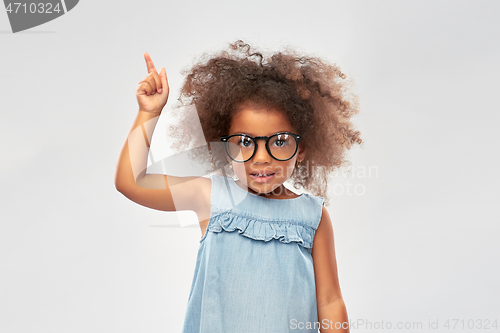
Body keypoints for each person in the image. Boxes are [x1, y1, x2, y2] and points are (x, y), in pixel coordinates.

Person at [115, 41, 362, 333]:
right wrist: (148, 113)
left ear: (303, 147)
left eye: (279, 141)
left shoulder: (313, 217)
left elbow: (331, 301)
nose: (261, 158)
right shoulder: (210, 197)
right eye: (245, 142)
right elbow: (131, 182)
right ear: (224, 145)